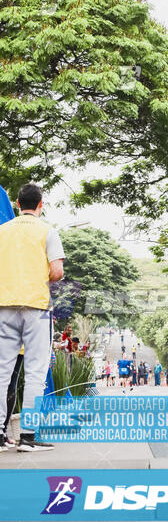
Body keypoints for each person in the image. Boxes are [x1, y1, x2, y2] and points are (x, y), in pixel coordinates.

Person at [0, 183, 65, 452]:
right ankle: (27, 436)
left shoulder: (2, 230)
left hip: (4, 306)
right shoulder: (48, 230)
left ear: (16, 203)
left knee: (2, 372)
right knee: (36, 373)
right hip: (37, 307)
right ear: (41, 204)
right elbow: (57, 271)